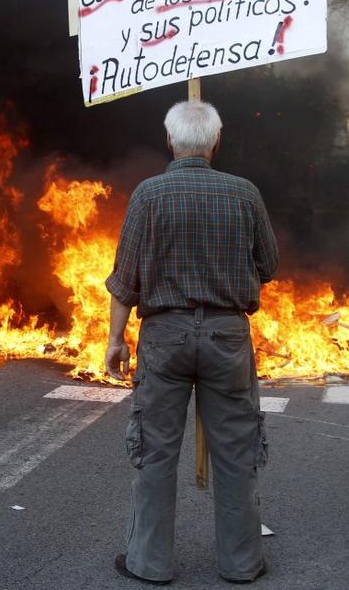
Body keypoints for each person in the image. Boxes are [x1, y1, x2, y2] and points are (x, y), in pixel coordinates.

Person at [104, 100, 279, 584]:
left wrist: (116, 340)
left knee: (156, 450)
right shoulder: (244, 194)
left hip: (164, 336)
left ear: (169, 141)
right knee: (236, 451)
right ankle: (242, 564)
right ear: (216, 142)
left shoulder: (148, 196)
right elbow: (269, 264)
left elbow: (125, 279)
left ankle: (149, 564)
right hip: (227, 335)